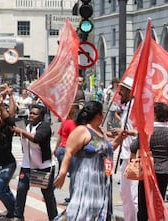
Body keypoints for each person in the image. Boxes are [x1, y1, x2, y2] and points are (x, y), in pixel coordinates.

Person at [54, 101, 125, 220]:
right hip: (86, 180)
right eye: (101, 113)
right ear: (97, 115)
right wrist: (62, 174)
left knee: (99, 211)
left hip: (102, 180)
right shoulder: (81, 130)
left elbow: (108, 148)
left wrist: (120, 139)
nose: (103, 116)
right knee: (82, 210)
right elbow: (69, 152)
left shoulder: (100, 131)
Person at [11, 104, 58, 221]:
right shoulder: (25, 124)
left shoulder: (45, 127)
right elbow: (9, 118)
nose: (31, 115)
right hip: (27, 166)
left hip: (43, 167)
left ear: (41, 116)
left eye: (35, 114)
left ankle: (54, 218)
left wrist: (21, 131)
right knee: (21, 190)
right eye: (30, 113)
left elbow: (36, 138)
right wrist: (7, 98)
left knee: (47, 194)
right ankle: (18, 216)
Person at [130, 102, 168, 220]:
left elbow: (133, 147)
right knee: (158, 199)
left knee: (143, 202)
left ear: (154, 115)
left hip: (147, 170)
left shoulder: (147, 131)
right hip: (164, 171)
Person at [117, 77, 139, 221]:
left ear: (130, 91)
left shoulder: (136, 106)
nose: (119, 93)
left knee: (134, 194)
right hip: (125, 155)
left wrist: (125, 133)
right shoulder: (127, 106)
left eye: (122, 89)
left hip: (134, 156)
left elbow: (141, 131)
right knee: (124, 193)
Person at [53, 104, 79, 203]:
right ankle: (72, 197)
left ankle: (49, 192)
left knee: (60, 172)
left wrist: (56, 149)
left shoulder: (65, 122)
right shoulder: (76, 124)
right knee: (73, 175)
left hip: (61, 149)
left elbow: (59, 136)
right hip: (69, 150)